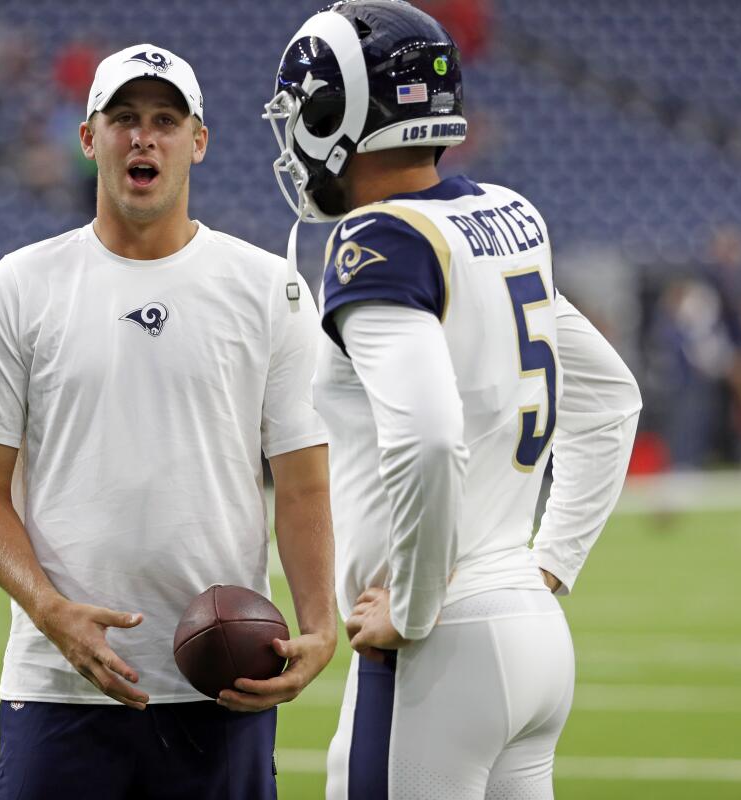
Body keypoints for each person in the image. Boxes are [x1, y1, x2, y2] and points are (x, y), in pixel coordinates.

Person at [0, 44, 336, 799]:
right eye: (122, 119)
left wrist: (319, 623)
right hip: (58, 687)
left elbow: (305, 482)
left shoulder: (269, 289)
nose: (142, 137)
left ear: (198, 141)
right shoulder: (18, 287)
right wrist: (48, 609)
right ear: (89, 139)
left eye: (164, 120)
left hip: (224, 688)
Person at [264, 2, 642, 797]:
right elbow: (610, 401)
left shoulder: (378, 241)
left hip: (437, 648)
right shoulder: (507, 215)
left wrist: (414, 601)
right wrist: (552, 563)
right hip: (529, 624)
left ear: (339, 114)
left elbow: (430, 435)